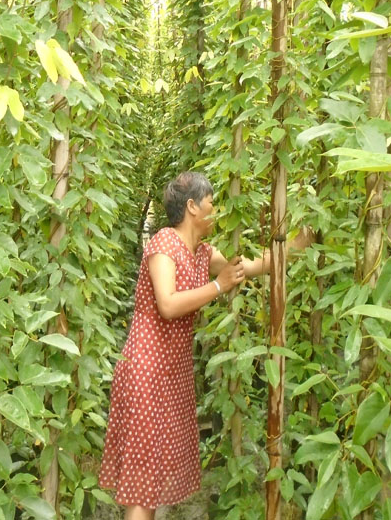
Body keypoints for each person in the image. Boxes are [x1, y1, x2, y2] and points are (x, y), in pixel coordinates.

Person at [98, 171, 313, 519]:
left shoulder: (202, 252)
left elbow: (252, 267)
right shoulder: (164, 244)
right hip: (147, 371)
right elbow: (167, 304)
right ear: (193, 206)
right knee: (143, 481)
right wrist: (218, 286)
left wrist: (297, 244)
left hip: (173, 373)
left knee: (153, 478)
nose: (217, 208)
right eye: (212, 201)